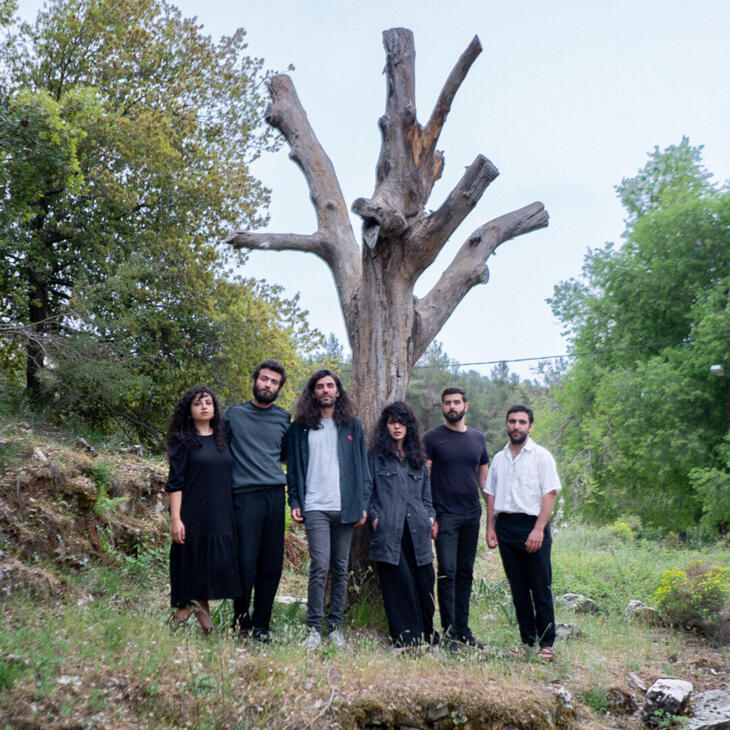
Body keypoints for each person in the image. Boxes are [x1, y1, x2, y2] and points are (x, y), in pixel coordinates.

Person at [286, 369, 371, 648]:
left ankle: (335, 628)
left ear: (338, 391)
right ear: (313, 393)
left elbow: (362, 468)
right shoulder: (300, 427)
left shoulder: (351, 425)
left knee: (340, 567)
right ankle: (312, 628)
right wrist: (295, 501)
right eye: (320, 386)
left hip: (345, 507)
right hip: (315, 507)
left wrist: (363, 505)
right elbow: (294, 470)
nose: (325, 390)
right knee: (320, 565)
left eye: (330, 386)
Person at [484, 404, 561, 661]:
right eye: (512, 421)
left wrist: (538, 529)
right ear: (507, 424)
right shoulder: (498, 458)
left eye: (521, 422)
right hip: (506, 527)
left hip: (532, 526)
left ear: (530, 426)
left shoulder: (541, 457)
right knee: (518, 589)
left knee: (540, 586)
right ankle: (527, 642)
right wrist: (491, 527)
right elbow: (491, 494)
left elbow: (550, 494)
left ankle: (547, 643)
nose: (516, 426)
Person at [165, 385, 241, 633]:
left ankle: (192, 620)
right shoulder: (182, 440)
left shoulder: (224, 437)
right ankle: (196, 624)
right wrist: (176, 519)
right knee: (196, 571)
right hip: (193, 515)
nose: (204, 406)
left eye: (208, 402)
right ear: (189, 410)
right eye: (198, 403)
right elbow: (175, 482)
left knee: (211, 570)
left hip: (220, 514)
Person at [224, 359, 290, 642]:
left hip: (275, 495)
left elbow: (286, 456)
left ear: (279, 388)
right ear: (255, 380)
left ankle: (262, 626)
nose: (268, 385)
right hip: (244, 496)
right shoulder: (233, 414)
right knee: (245, 562)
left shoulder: (283, 418)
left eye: (274, 382)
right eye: (264, 379)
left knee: (271, 564)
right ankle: (241, 622)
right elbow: (219, 452)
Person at [424, 386, 489, 649]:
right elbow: (424, 479)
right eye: (448, 403)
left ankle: (464, 631)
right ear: (442, 407)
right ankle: (449, 632)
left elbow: (484, 480)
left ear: (466, 406)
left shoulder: (478, 439)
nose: (452, 407)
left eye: (457, 402)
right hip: (444, 515)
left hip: (472, 514)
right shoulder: (431, 438)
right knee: (447, 572)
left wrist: (491, 516)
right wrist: (429, 514)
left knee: (465, 573)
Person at [368, 401, 437, 649]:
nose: (397, 427)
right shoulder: (376, 457)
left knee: (425, 583)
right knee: (398, 587)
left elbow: (427, 496)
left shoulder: (418, 457)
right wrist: (375, 517)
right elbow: (367, 491)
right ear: (385, 426)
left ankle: (428, 637)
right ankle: (406, 641)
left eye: (401, 422)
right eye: (391, 422)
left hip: (418, 531)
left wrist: (430, 517)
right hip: (389, 532)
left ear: (409, 426)